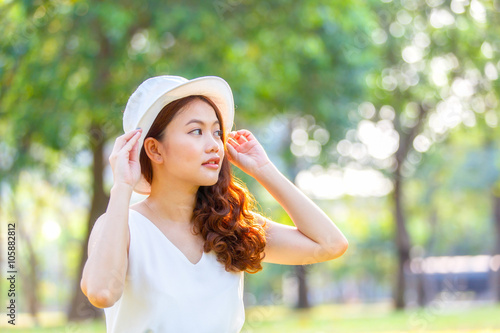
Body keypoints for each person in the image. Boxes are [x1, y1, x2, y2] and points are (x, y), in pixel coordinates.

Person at [80, 75, 348, 332]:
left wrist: (263, 169)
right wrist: (122, 187)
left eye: (217, 132)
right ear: (154, 149)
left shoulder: (229, 225)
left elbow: (330, 244)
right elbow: (102, 292)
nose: (214, 145)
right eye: (196, 131)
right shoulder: (122, 227)